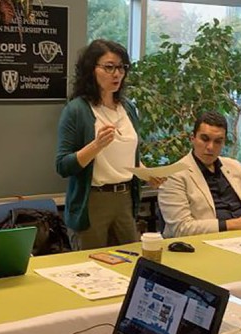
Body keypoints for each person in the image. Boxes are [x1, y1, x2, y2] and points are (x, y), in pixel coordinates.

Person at [55, 39, 163, 251]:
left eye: (122, 67)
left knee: (130, 262)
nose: (117, 74)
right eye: (109, 67)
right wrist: (95, 146)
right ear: (91, 69)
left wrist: (147, 174)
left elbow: (127, 159)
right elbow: (62, 165)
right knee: (91, 269)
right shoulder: (77, 110)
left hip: (125, 199)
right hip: (92, 201)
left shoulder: (128, 108)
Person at [158, 111, 241, 238]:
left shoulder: (234, 167)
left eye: (218, 141)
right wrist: (236, 224)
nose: (210, 147)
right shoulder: (174, 174)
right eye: (205, 139)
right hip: (205, 242)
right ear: (193, 139)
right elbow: (181, 228)